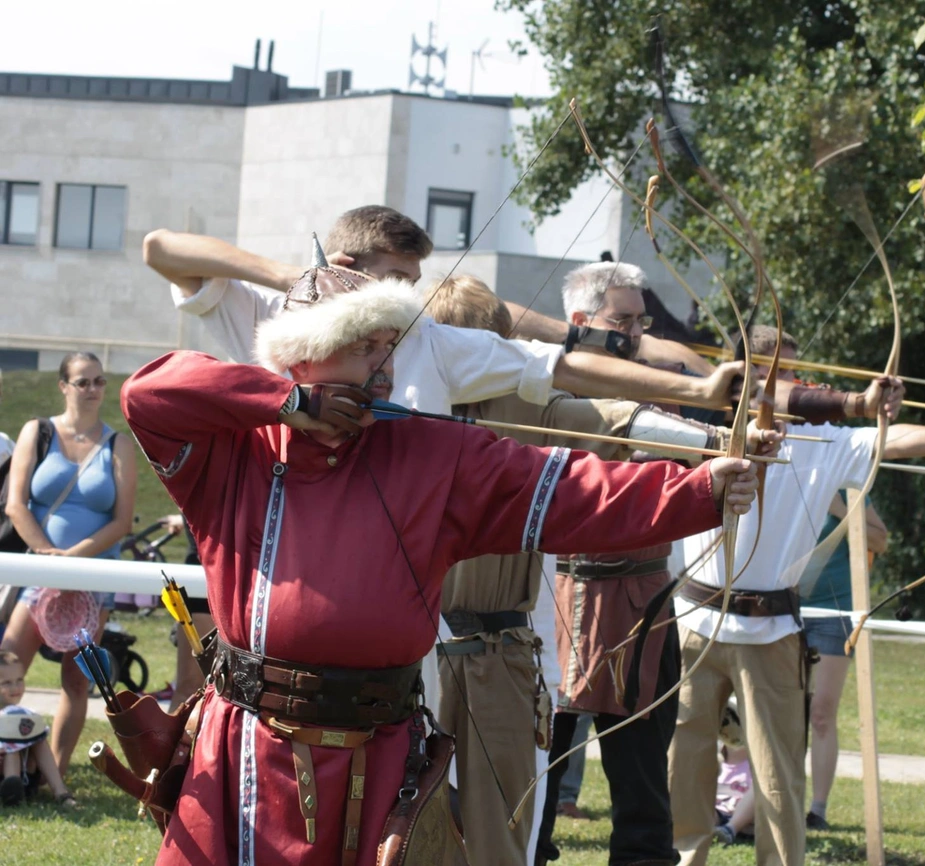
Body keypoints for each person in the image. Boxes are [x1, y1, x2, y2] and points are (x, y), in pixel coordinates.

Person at [120, 267, 761, 866]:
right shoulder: (236, 453)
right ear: (304, 355)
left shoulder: (434, 453)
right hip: (249, 746)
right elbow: (148, 392)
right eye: (364, 347)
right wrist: (288, 403)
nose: (385, 368)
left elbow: (571, 488)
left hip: (379, 751)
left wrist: (700, 491)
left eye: (390, 347)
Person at [427, 274, 778, 865]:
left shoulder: (525, 401)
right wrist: (715, 440)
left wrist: (719, 439)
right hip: (430, 647)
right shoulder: (405, 402)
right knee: (420, 818)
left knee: (507, 820)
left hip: (504, 649)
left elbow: (613, 417)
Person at [669, 325, 925, 866]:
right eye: (771, 371)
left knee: (779, 773)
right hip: (694, 624)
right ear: (738, 375)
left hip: (770, 631)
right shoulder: (697, 427)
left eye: (792, 372)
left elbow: (892, 439)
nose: (786, 383)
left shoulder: (821, 439)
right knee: (685, 765)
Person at [142, 207, 745, 416]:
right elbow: (161, 249)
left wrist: (696, 391)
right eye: (394, 280)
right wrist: (291, 277)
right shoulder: (273, 313)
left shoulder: (427, 340)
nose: (408, 297)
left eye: (414, 283)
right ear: (347, 264)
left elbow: (560, 367)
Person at [538, 261, 743, 866]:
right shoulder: (543, 386)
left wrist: (740, 433)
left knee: (643, 785)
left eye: (640, 321)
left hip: (639, 608)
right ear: (581, 322)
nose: (634, 333)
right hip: (554, 603)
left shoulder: (661, 388)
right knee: (537, 779)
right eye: (622, 320)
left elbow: (716, 432)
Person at [1, 351, 136, 776]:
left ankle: (53, 776)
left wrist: (73, 562)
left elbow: (122, 522)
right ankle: (8, 764)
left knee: (77, 680)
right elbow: (16, 504)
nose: (93, 389)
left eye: (99, 381)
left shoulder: (118, 444)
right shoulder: (37, 431)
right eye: (83, 382)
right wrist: (49, 559)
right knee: (6, 663)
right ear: (64, 386)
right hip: (39, 574)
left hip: (92, 579)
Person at [801, 492, 889, 830]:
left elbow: (880, 541)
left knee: (821, 713)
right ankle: (776, 802)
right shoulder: (779, 478)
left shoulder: (844, 489)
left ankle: (818, 810)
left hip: (833, 613)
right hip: (780, 609)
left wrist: (841, 511)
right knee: (784, 715)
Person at [0, 649, 77, 808]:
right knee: (11, 745)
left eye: (19, 680)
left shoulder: (22, 714)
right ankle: (12, 792)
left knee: (38, 738)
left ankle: (60, 791)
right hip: (3, 780)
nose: (15, 687)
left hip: (27, 776)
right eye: (7, 683)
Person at [712, 699, 754, 846]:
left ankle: (730, 829)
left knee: (762, 787)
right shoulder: (715, 760)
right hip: (716, 813)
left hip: (747, 818)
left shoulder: (756, 765)